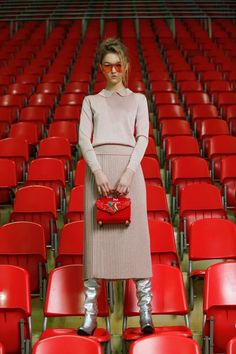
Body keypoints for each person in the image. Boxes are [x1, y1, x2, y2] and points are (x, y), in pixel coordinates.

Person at [77, 38, 154, 336]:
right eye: (107, 65)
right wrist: (96, 171)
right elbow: (84, 139)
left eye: (118, 64)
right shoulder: (91, 101)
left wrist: (129, 173)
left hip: (129, 172)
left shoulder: (138, 100)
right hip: (99, 172)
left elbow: (143, 137)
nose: (113, 70)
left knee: (137, 243)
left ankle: (146, 311)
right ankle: (90, 314)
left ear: (126, 66)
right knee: (95, 245)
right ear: (100, 68)